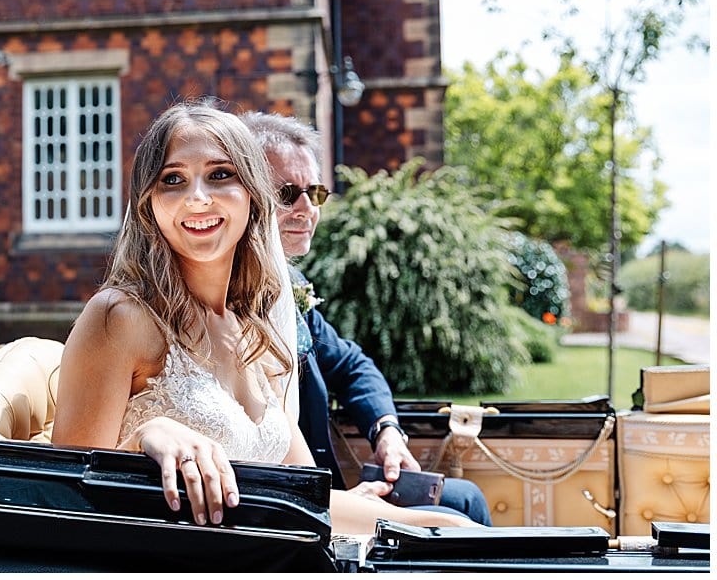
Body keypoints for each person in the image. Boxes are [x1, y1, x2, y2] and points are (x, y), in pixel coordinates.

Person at [52, 101, 479, 534]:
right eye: (173, 179)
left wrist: (422, 524)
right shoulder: (118, 317)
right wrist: (142, 439)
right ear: (149, 204)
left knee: (457, 522)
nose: (197, 198)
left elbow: (304, 497)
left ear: (253, 197)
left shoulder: (253, 330)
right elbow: (61, 501)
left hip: (279, 551)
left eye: (220, 175)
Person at [240, 110, 492, 526]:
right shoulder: (226, 305)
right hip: (287, 509)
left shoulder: (290, 285)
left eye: (315, 193)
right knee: (462, 510)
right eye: (287, 194)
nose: (307, 209)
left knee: (465, 497)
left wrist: (386, 431)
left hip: (326, 488)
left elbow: (352, 365)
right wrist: (346, 500)